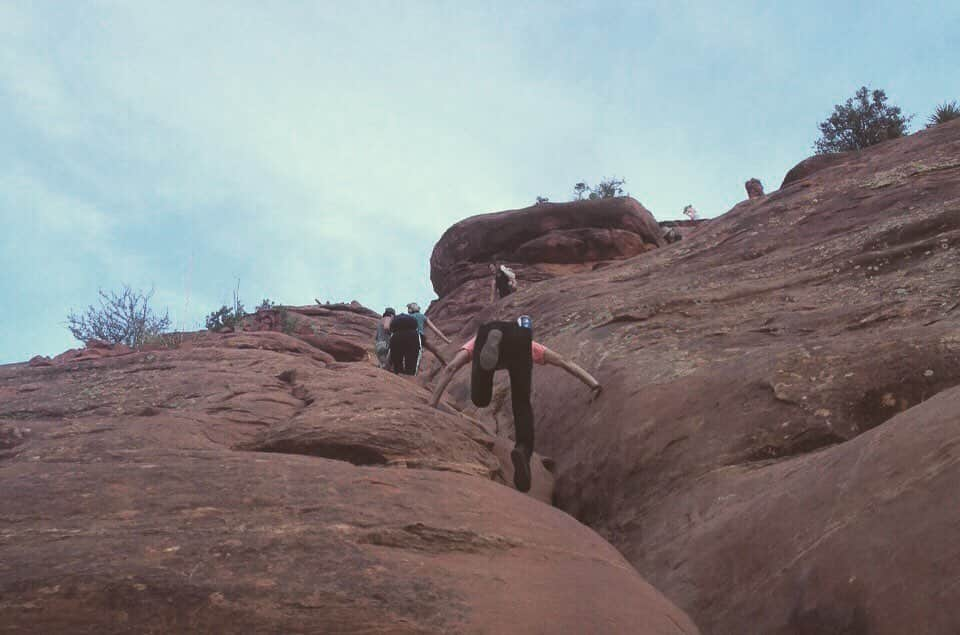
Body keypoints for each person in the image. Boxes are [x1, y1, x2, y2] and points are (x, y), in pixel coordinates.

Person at [430, 317, 601, 492]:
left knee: (481, 399)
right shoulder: (528, 343)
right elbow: (564, 361)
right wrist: (593, 383)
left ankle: (486, 365)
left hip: (487, 337)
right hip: (519, 347)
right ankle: (522, 450)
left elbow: (451, 367)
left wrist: (433, 403)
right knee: (522, 404)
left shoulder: (477, 340)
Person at [406, 302, 451, 369]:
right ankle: (446, 364)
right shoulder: (422, 316)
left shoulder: (408, 317)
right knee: (435, 350)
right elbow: (435, 330)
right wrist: (447, 340)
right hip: (420, 337)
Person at [389, 310, 421, 375]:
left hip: (396, 336)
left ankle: (398, 373)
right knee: (411, 359)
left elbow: (391, 329)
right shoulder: (413, 326)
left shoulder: (395, 324)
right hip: (413, 336)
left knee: (397, 358)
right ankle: (409, 375)